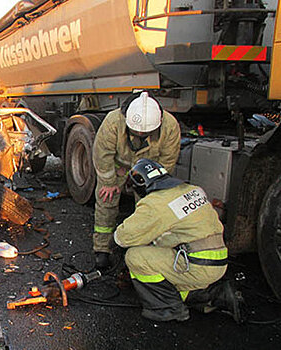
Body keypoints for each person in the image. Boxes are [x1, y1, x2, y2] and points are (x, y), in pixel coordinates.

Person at [114, 158, 243, 322]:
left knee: (135, 257)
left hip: (197, 266)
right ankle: (217, 295)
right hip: (218, 261)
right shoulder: (192, 189)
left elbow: (123, 238)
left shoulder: (156, 202)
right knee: (170, 285)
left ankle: (169, 309)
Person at [92, 91, 181, 269]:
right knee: (106, 200)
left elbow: (167, 162)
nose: (140, 134)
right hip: (119, 167)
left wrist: (151, 188)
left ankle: (142, 247)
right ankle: (102, 248)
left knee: (149, 207)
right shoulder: (113, 121)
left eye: (145, 132)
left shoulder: (170, 126)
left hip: (149, 172)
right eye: (136, 131)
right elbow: (102, 155)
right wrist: (109, 183)